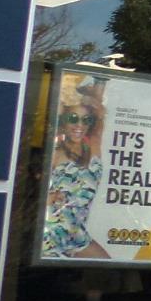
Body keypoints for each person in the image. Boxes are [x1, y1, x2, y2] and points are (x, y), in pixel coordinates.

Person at [42, 87, 109, 260]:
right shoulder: (56, 151)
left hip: (76, 233)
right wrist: (48, 198)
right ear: (63, 122)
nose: (79, 125)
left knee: (110, 273)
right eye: (73, 118)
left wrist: (100, 81)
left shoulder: (93, 146)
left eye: (85, 120)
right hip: (53, 234)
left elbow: (99, 113)